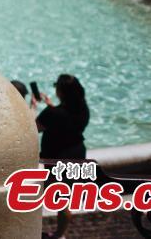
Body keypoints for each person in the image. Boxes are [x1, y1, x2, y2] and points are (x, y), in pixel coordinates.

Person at [37, 74, 89, 239]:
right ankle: (60, 234)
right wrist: (52, 107)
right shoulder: (83, 110)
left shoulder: (52, 114)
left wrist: (33, 107)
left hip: (56, 159)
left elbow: (33, 128)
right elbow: (65, 120)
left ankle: (41, 232)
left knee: (47, 196)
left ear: (60, 91)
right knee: (65, 199)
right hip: (77, 154)